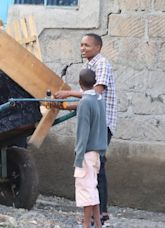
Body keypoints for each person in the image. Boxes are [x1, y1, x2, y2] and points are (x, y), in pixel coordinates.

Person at [55, 33, 117, 224]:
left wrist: (68, 95)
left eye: (87, 45)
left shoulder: (102, 65)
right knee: (95, 171)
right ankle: (97, 218)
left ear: (98, 47)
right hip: (95, 120)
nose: (83, 48)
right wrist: (66, 103)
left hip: (101, 123)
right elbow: (87, 97)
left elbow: (93, 94)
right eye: (81, 45)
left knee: (92, 174)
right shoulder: (87, 66)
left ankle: (95, 215)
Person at [74, 68, 107, 228]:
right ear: (94, 83)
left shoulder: (84, 103)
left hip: (86, 152)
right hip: (97, 151)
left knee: (85, 190)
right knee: (92, 188)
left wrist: (78, 156)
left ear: (79, 83)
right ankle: (98, 223)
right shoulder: (100, 99)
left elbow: (83, 132)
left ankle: (86, 224)